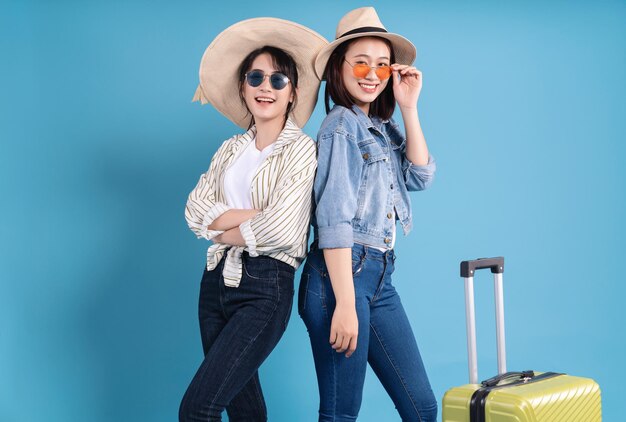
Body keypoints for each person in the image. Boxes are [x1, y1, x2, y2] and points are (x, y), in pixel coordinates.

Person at [180, 18, 327, 422]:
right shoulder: (229, 150)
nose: (266, 87)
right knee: (246, 412)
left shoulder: (301, 150)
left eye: (278, 80)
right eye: (256, 77)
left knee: (197, 409)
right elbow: (194, 211)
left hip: (265, 288)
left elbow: (286, 229)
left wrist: (222, 229)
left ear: (293, 91)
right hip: (214, 285)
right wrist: (255, 218)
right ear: (243, 87)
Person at [298, 7, 438, 421]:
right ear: (338, 70)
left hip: (379, 278)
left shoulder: (381, 126)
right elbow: (334, 220)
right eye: (361, 62)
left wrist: (408, 108)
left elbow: (421, 175)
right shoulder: (341, 126)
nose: (372, 74)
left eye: (382, 64)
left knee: (422, 408)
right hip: (340, 277)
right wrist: (344, 302)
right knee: (341, 413)